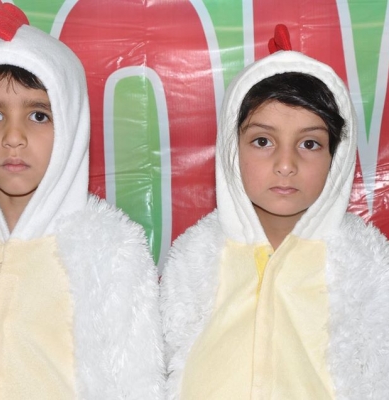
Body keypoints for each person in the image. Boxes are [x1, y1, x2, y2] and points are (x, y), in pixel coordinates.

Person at [0, 4, 163, 399]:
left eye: (38, 116)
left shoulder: (110, 248)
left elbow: (137, 383)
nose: (13, 137)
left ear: (71, 123)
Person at [160, 26, 389, 399]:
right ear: (232, 149)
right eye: (263, 141)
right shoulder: (196, 256)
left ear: (337, 156)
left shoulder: (367, 263)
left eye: (310, 144)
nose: (286, 164)